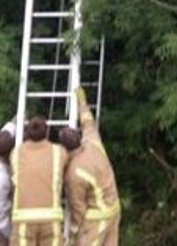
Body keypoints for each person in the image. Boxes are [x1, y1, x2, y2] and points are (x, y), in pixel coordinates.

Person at [58, 88, 120, 246]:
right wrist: (82, 102)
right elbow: (88, 121)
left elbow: (78, 209)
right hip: (114, 208)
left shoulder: (74, 173)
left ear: (65, 149)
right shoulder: (92, 142)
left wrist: (72, 234)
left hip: (97, 218)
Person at [10, 115, 68, 246]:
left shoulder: (15, 153)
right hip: (51, 217)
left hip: (22, 218)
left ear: (27, 132)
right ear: (47, 132)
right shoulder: (59, 152)